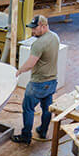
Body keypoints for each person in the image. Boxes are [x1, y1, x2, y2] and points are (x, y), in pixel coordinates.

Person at [11, 15, 60, 145]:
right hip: (52, 81)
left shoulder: (39, 44)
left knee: (28, 108)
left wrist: (19, 70)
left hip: (38, 83)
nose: (32, 31)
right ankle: (43, 131)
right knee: (47, 108)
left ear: (43, 26)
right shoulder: (55, 37)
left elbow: (30, 64)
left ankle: (26, 136)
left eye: (35, 28)